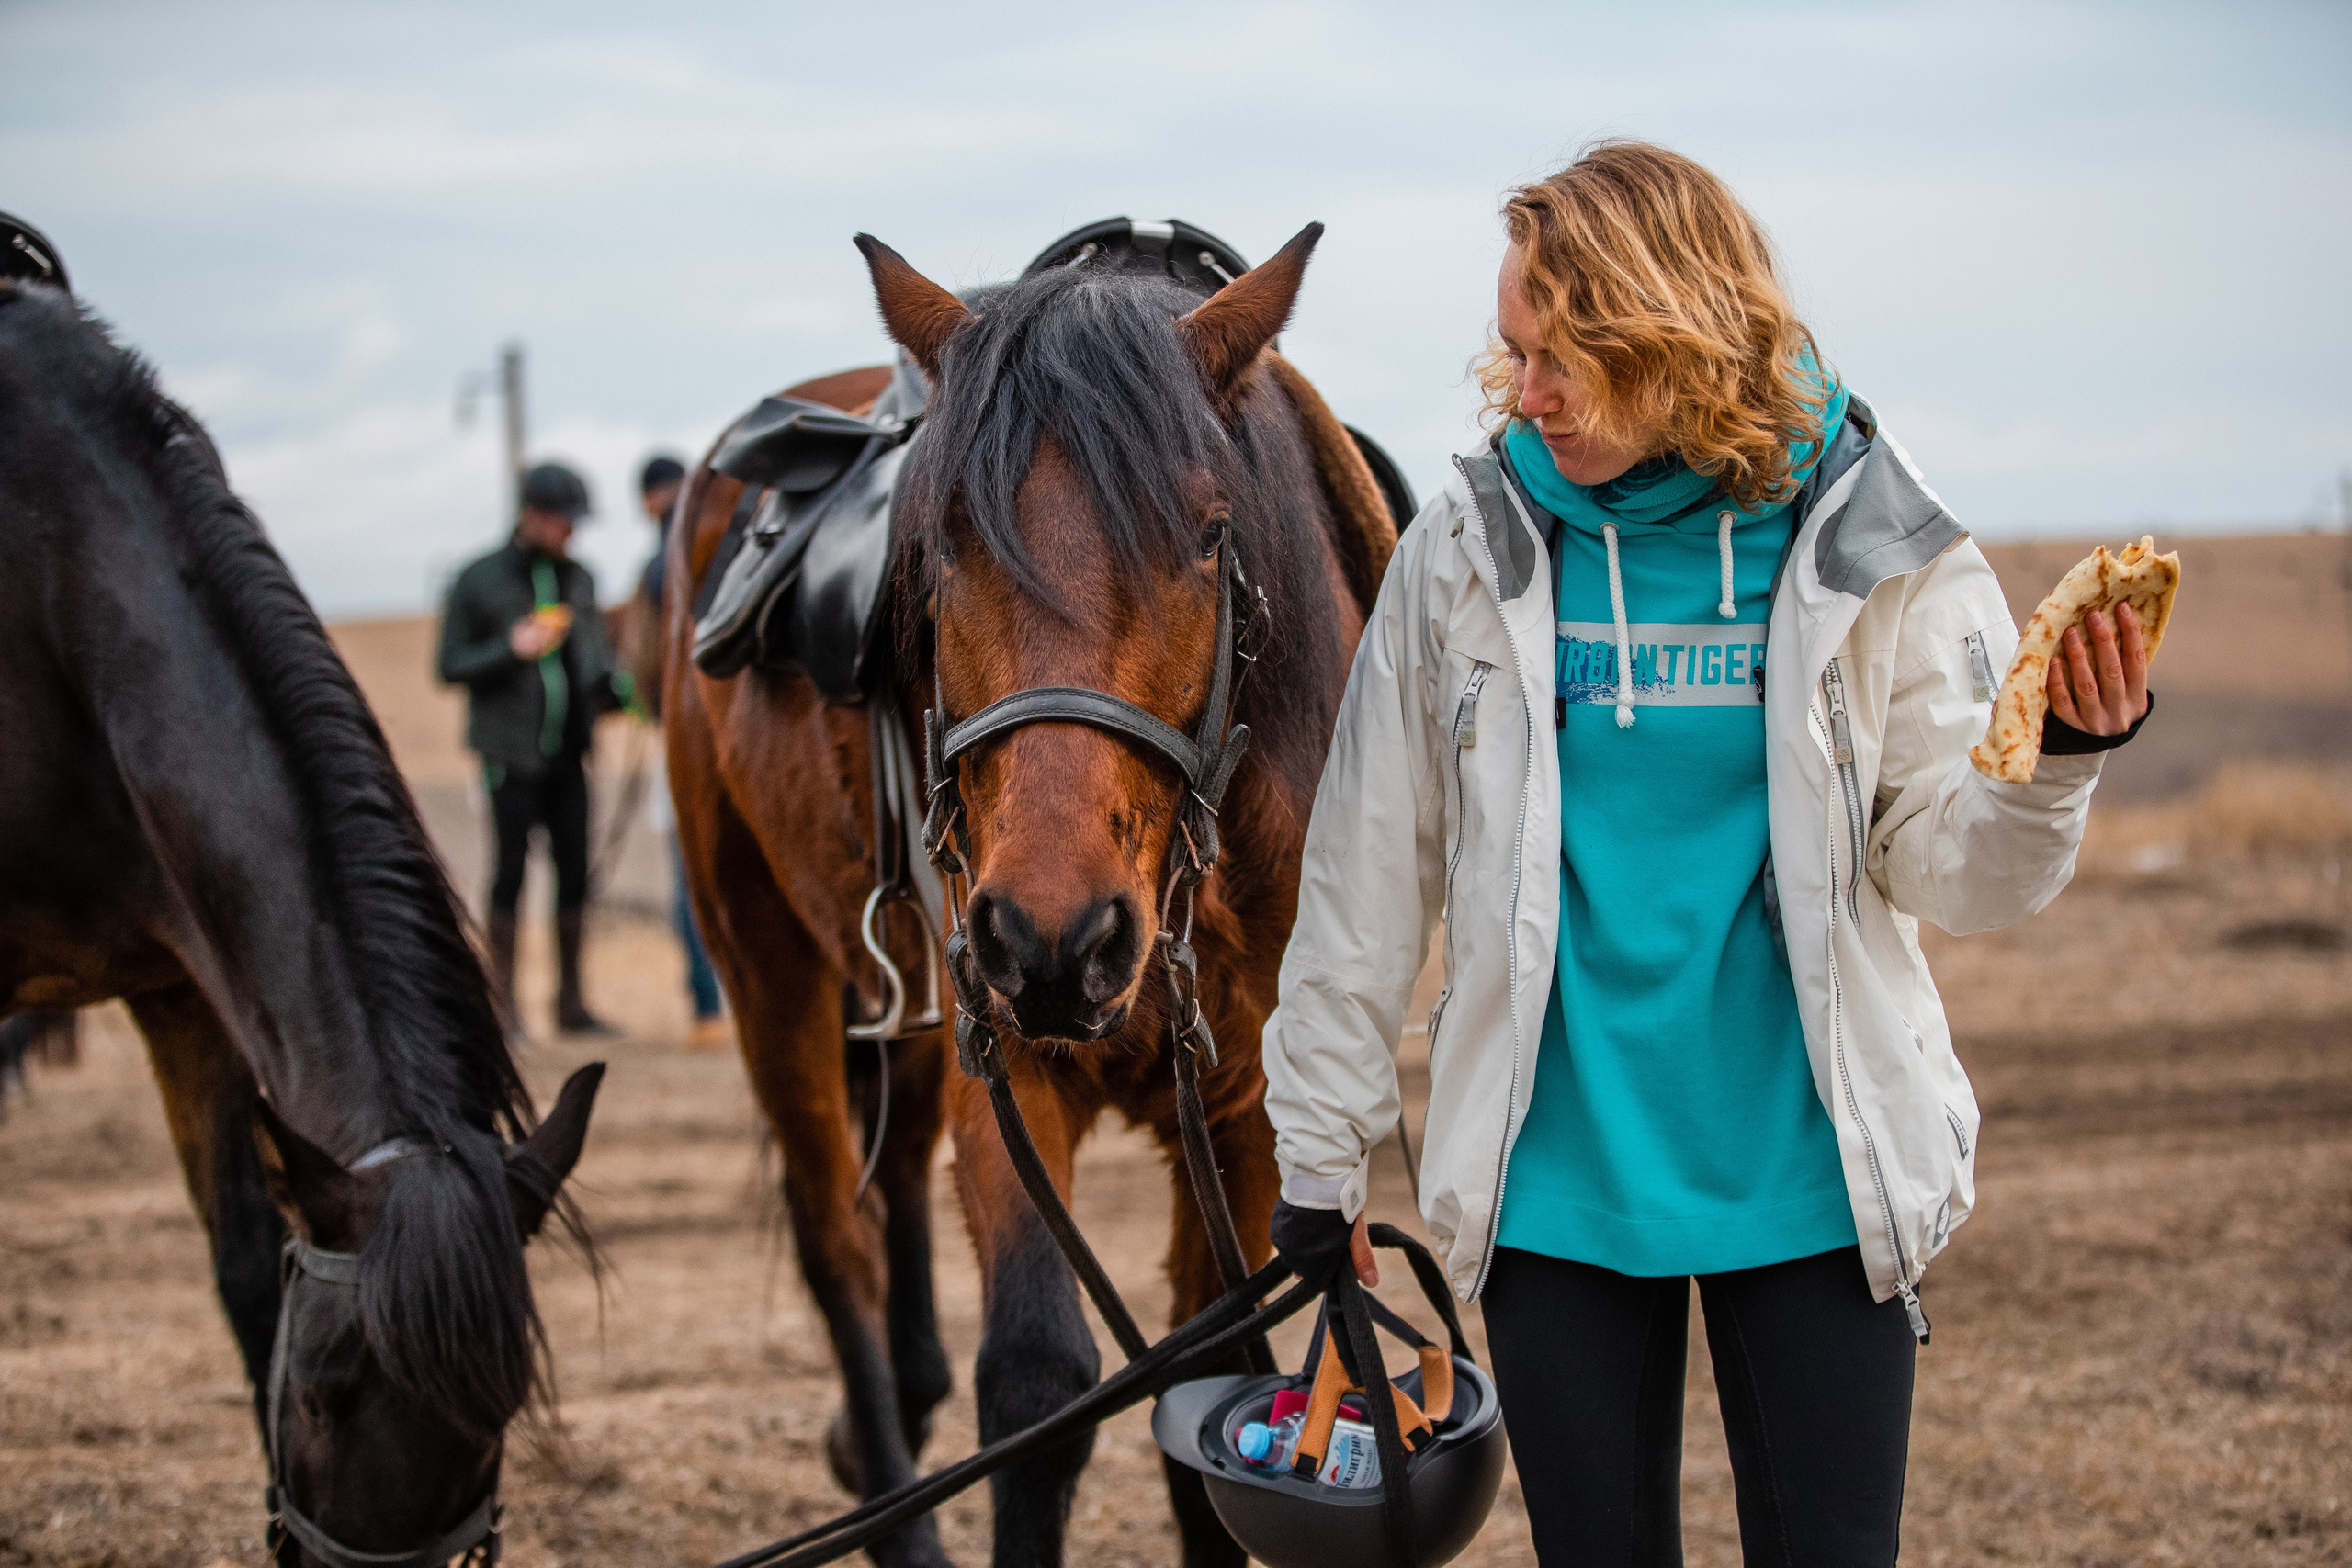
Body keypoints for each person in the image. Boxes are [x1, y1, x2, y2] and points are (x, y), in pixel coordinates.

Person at [1261, 141, 2153, 1566]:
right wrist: (1316, 1164)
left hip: (1813, 1173)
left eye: (1561, 358)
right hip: (1553, 1182)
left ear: (1670, 335)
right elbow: (1366, 874)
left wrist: (2056, 764)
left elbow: (1952, 869)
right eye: (1513, 354)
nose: (1525, 393)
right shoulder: (1468, 548)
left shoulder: (1872, 530)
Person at [438, 459, 632, 1037]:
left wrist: (614, 691)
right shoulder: (477, 579)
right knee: (510, 877)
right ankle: (506, 1007)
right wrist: (510, 647)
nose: (572, 532)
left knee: (574, 877)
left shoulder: (580, 580)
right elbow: (449, 665)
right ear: (532, 515)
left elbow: (593, 656)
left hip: (570, 756)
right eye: (564, 521)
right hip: (509, 756)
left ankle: (570, 1005)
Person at [630, 453, 729, 1050]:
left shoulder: (656, 568)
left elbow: (644, 660)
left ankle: (706, 1007)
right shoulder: (737, 534)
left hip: (686, 735)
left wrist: (649, 706)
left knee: (692, 878)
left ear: (649, 500)